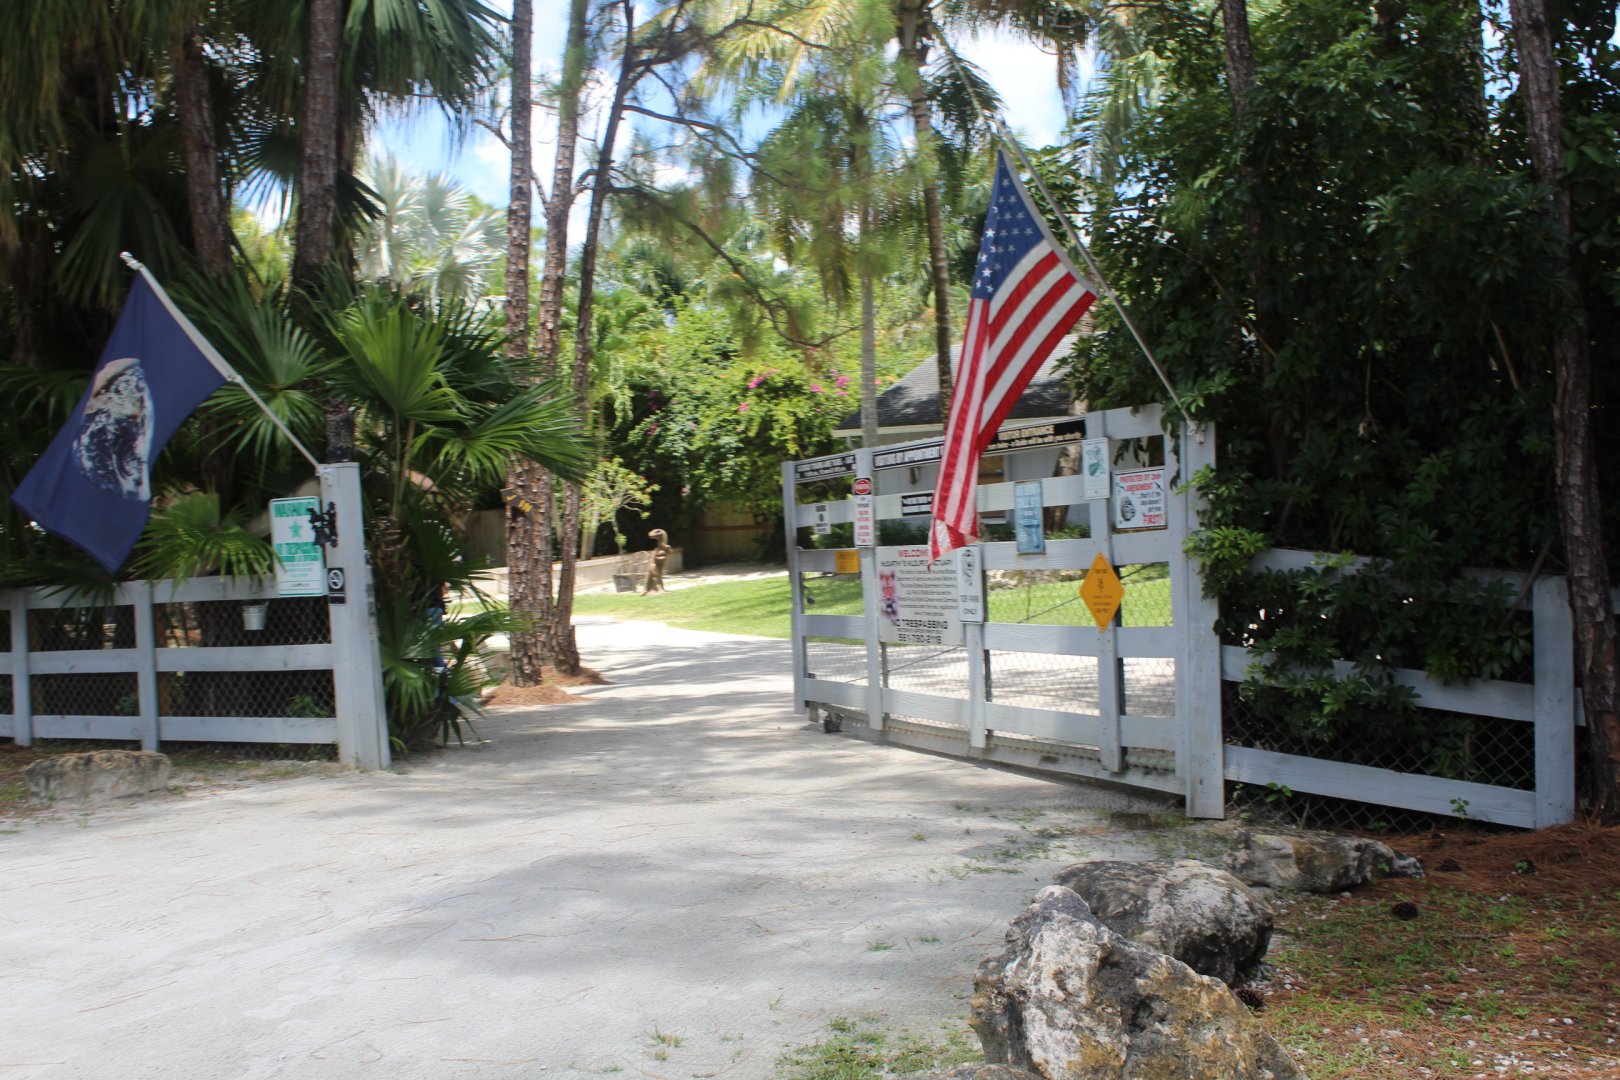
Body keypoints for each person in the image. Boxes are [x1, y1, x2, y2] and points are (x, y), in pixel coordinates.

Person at [644, 528, 670, 593]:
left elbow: (668, 551)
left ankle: (659, 588)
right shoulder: (659, 548)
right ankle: (650, 589)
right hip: (655, 565)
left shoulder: (664, 546)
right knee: (654, 573)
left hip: (658, 564)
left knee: (657, 574)